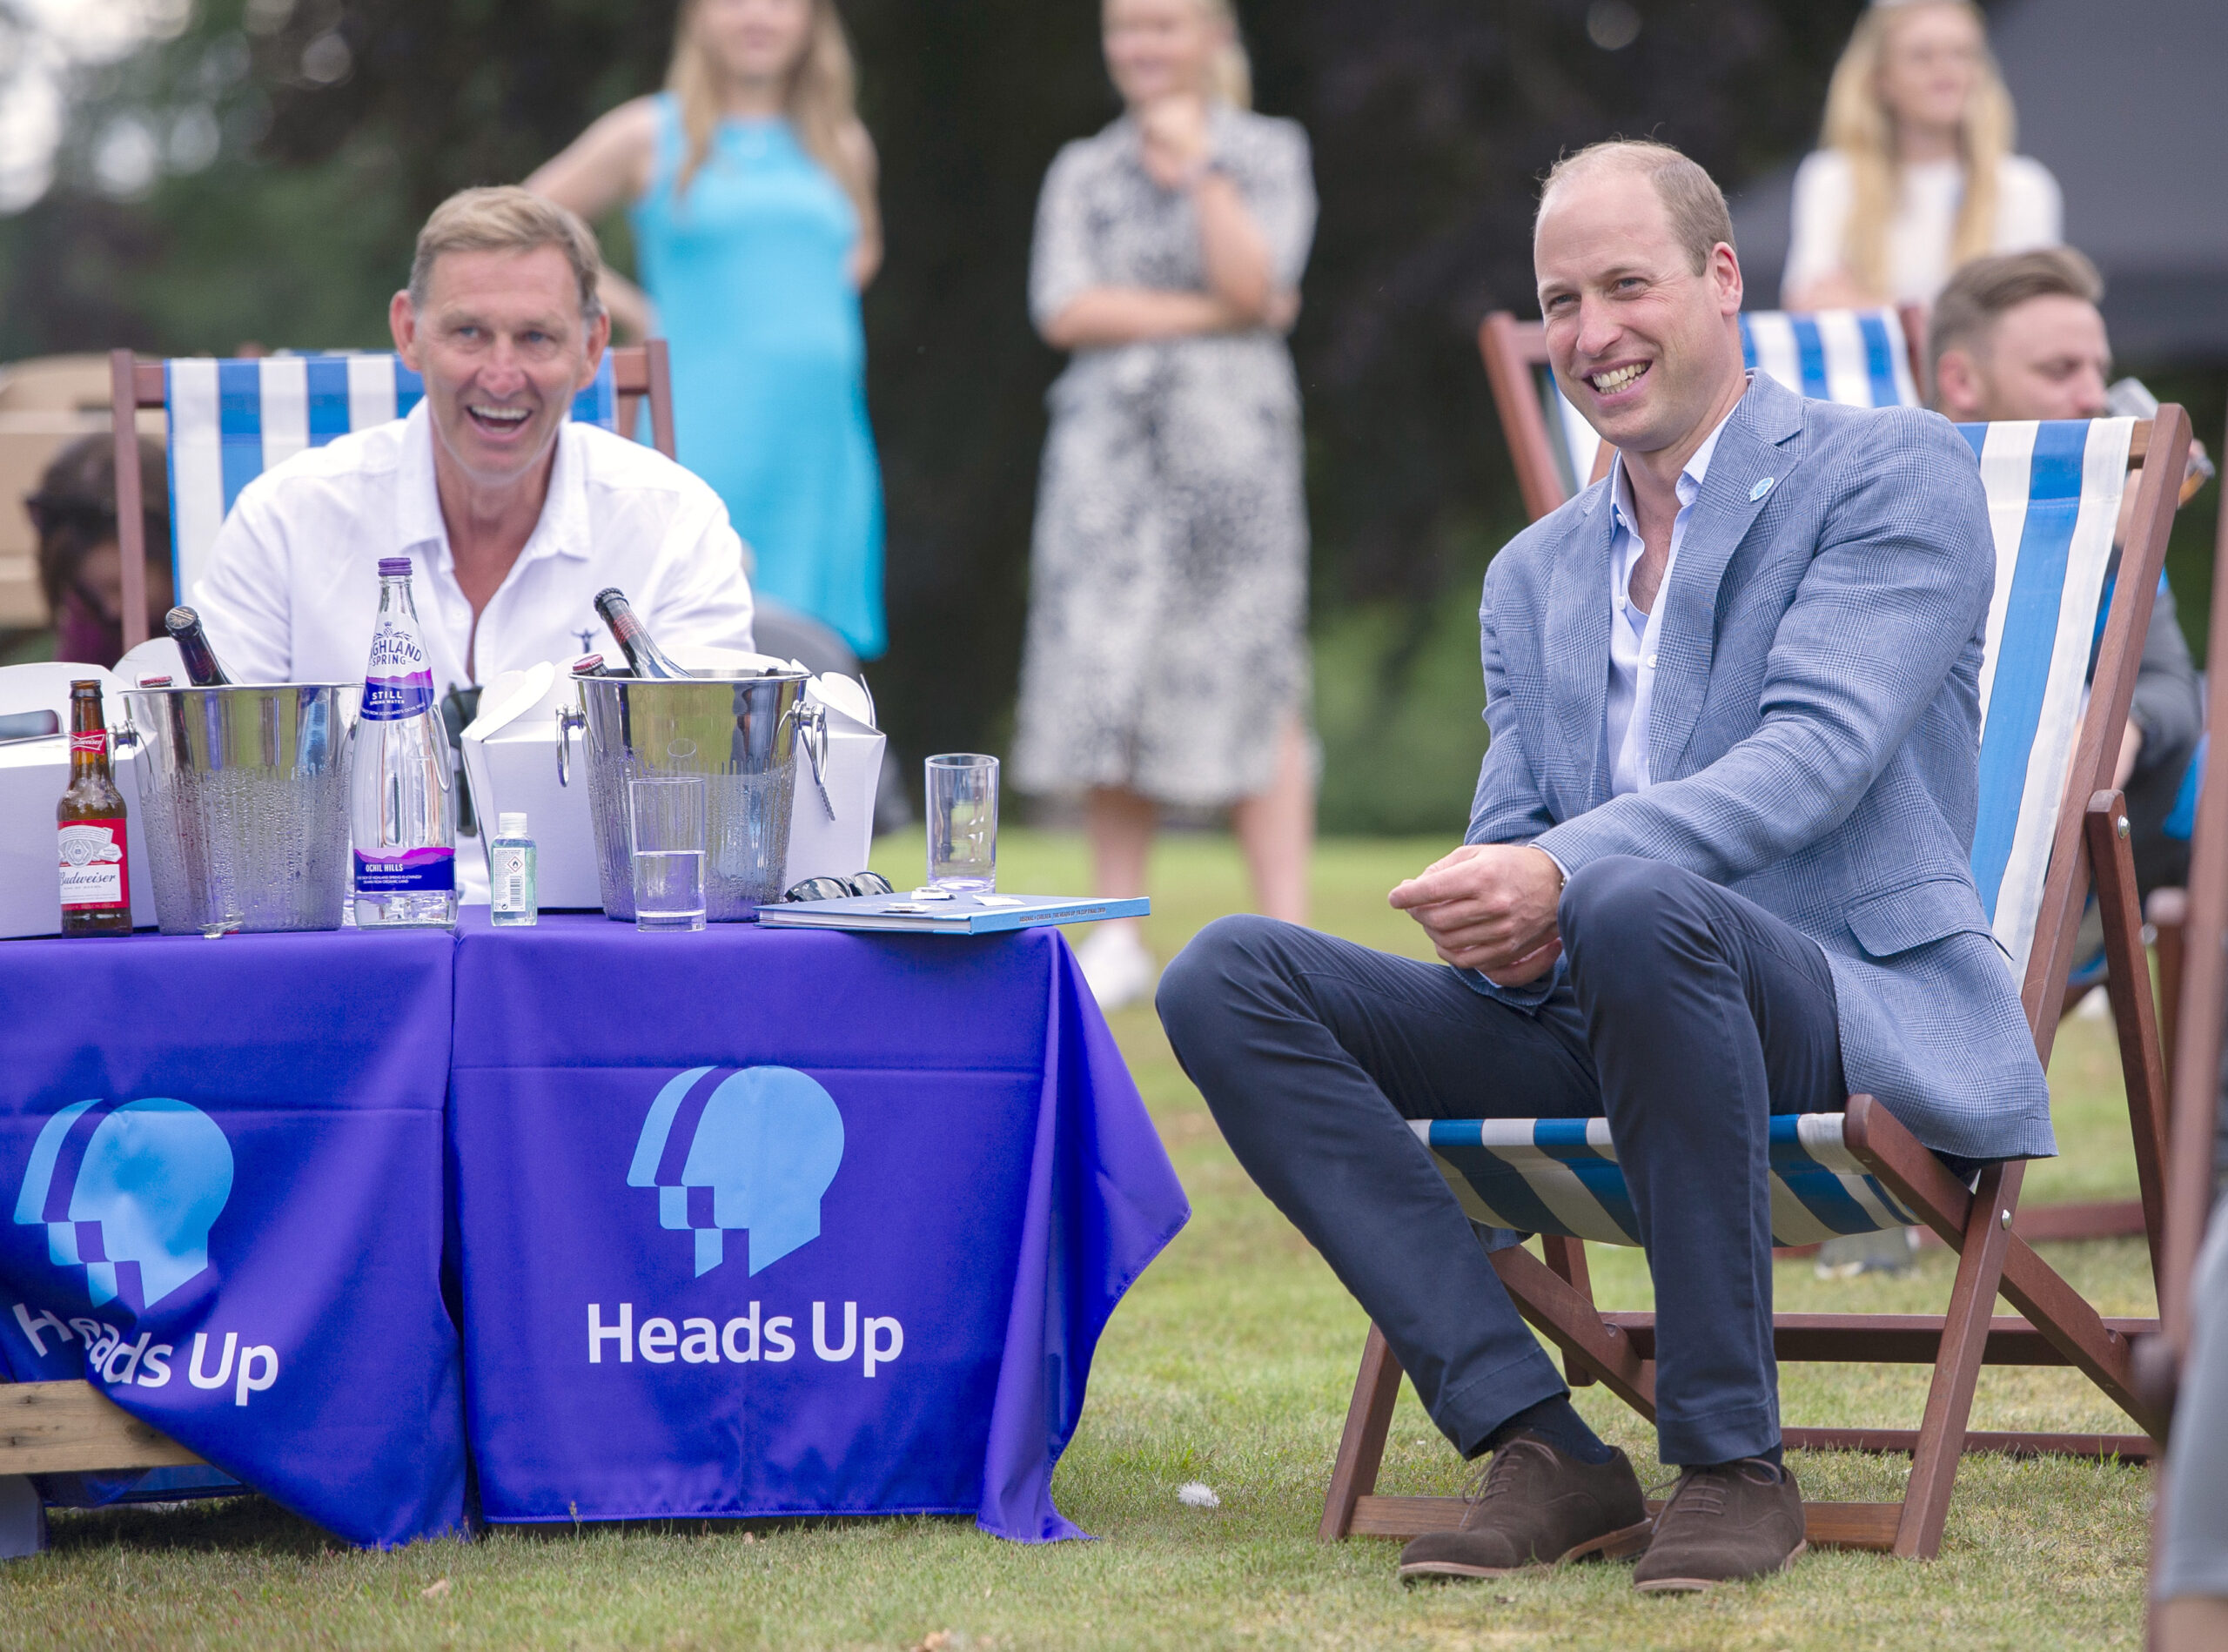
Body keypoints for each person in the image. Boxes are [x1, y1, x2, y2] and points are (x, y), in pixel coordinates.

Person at [1158, 139, 2053, 1593]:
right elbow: (1518, 818)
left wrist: (1563, 875)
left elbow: (1811, 756)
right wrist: (1486, 896)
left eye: (1625, 284)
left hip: (1829, 1006)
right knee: (1229, 975)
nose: (1590, 331)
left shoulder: (1890, 470)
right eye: (1562, 299)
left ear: (1719, 279)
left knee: (1635, 901)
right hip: (1594, 1004)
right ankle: (1537, 1438)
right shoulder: (1533, 574)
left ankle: (1729, 1458)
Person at [191, 187, 756, 893]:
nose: (500, 374)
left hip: (589, 953)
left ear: (592, 349)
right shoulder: (285, 519)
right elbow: (216, 794)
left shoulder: (676, 523)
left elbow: (711, 799)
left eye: (536, 337)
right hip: (349, 956)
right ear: (408, 333)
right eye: (468, 333)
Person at [1015, 0, 1316, 1011]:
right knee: (1110, 668)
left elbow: (1261, 278)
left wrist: (1196, 173)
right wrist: (1218, 314)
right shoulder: (1080, 168)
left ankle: (1288, 925)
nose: (1142, 47)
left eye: (1163, 25)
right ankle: (1116, 928)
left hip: (1236, 457)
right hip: (1107, 458)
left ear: (1212, 36)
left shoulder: (1268, 153)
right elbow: (1064, 306)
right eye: (1125, 28)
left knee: (1258, 666)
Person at [526, 0, 886, 661]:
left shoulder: (842, 141)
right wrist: (633, 308)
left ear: (812, 20)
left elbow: (862, 250)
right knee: (694, 636)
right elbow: (531, 217)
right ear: (695, 16)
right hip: (703, 424)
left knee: (818, 662)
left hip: (819, 443)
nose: (758, 16)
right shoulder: (648, 133)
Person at [1930, 248, 2204, 905]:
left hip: (2079, 843)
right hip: (1949, 862)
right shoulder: (1898, 501)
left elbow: (2169, 684)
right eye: (2060, 370)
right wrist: (2101, 547)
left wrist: (2121, 726)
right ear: (1962, 383)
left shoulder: (2101, 506)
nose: (2093, 397)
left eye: (2098, 371)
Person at [1782, 0, 2060, 311]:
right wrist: (1962, 317)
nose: (1945, 71)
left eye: (1961, 53)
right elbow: (1808, 306)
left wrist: (1865, 304)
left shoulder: (2023, 187)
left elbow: (2031, 316)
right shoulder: (1832, 179)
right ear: (1880, 79)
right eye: (1921, 56)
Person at [24, 433, 173, 670]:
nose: (111, 610)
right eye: (91, 593)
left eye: (119, 586)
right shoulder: (89, 625)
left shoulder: (223, 620)